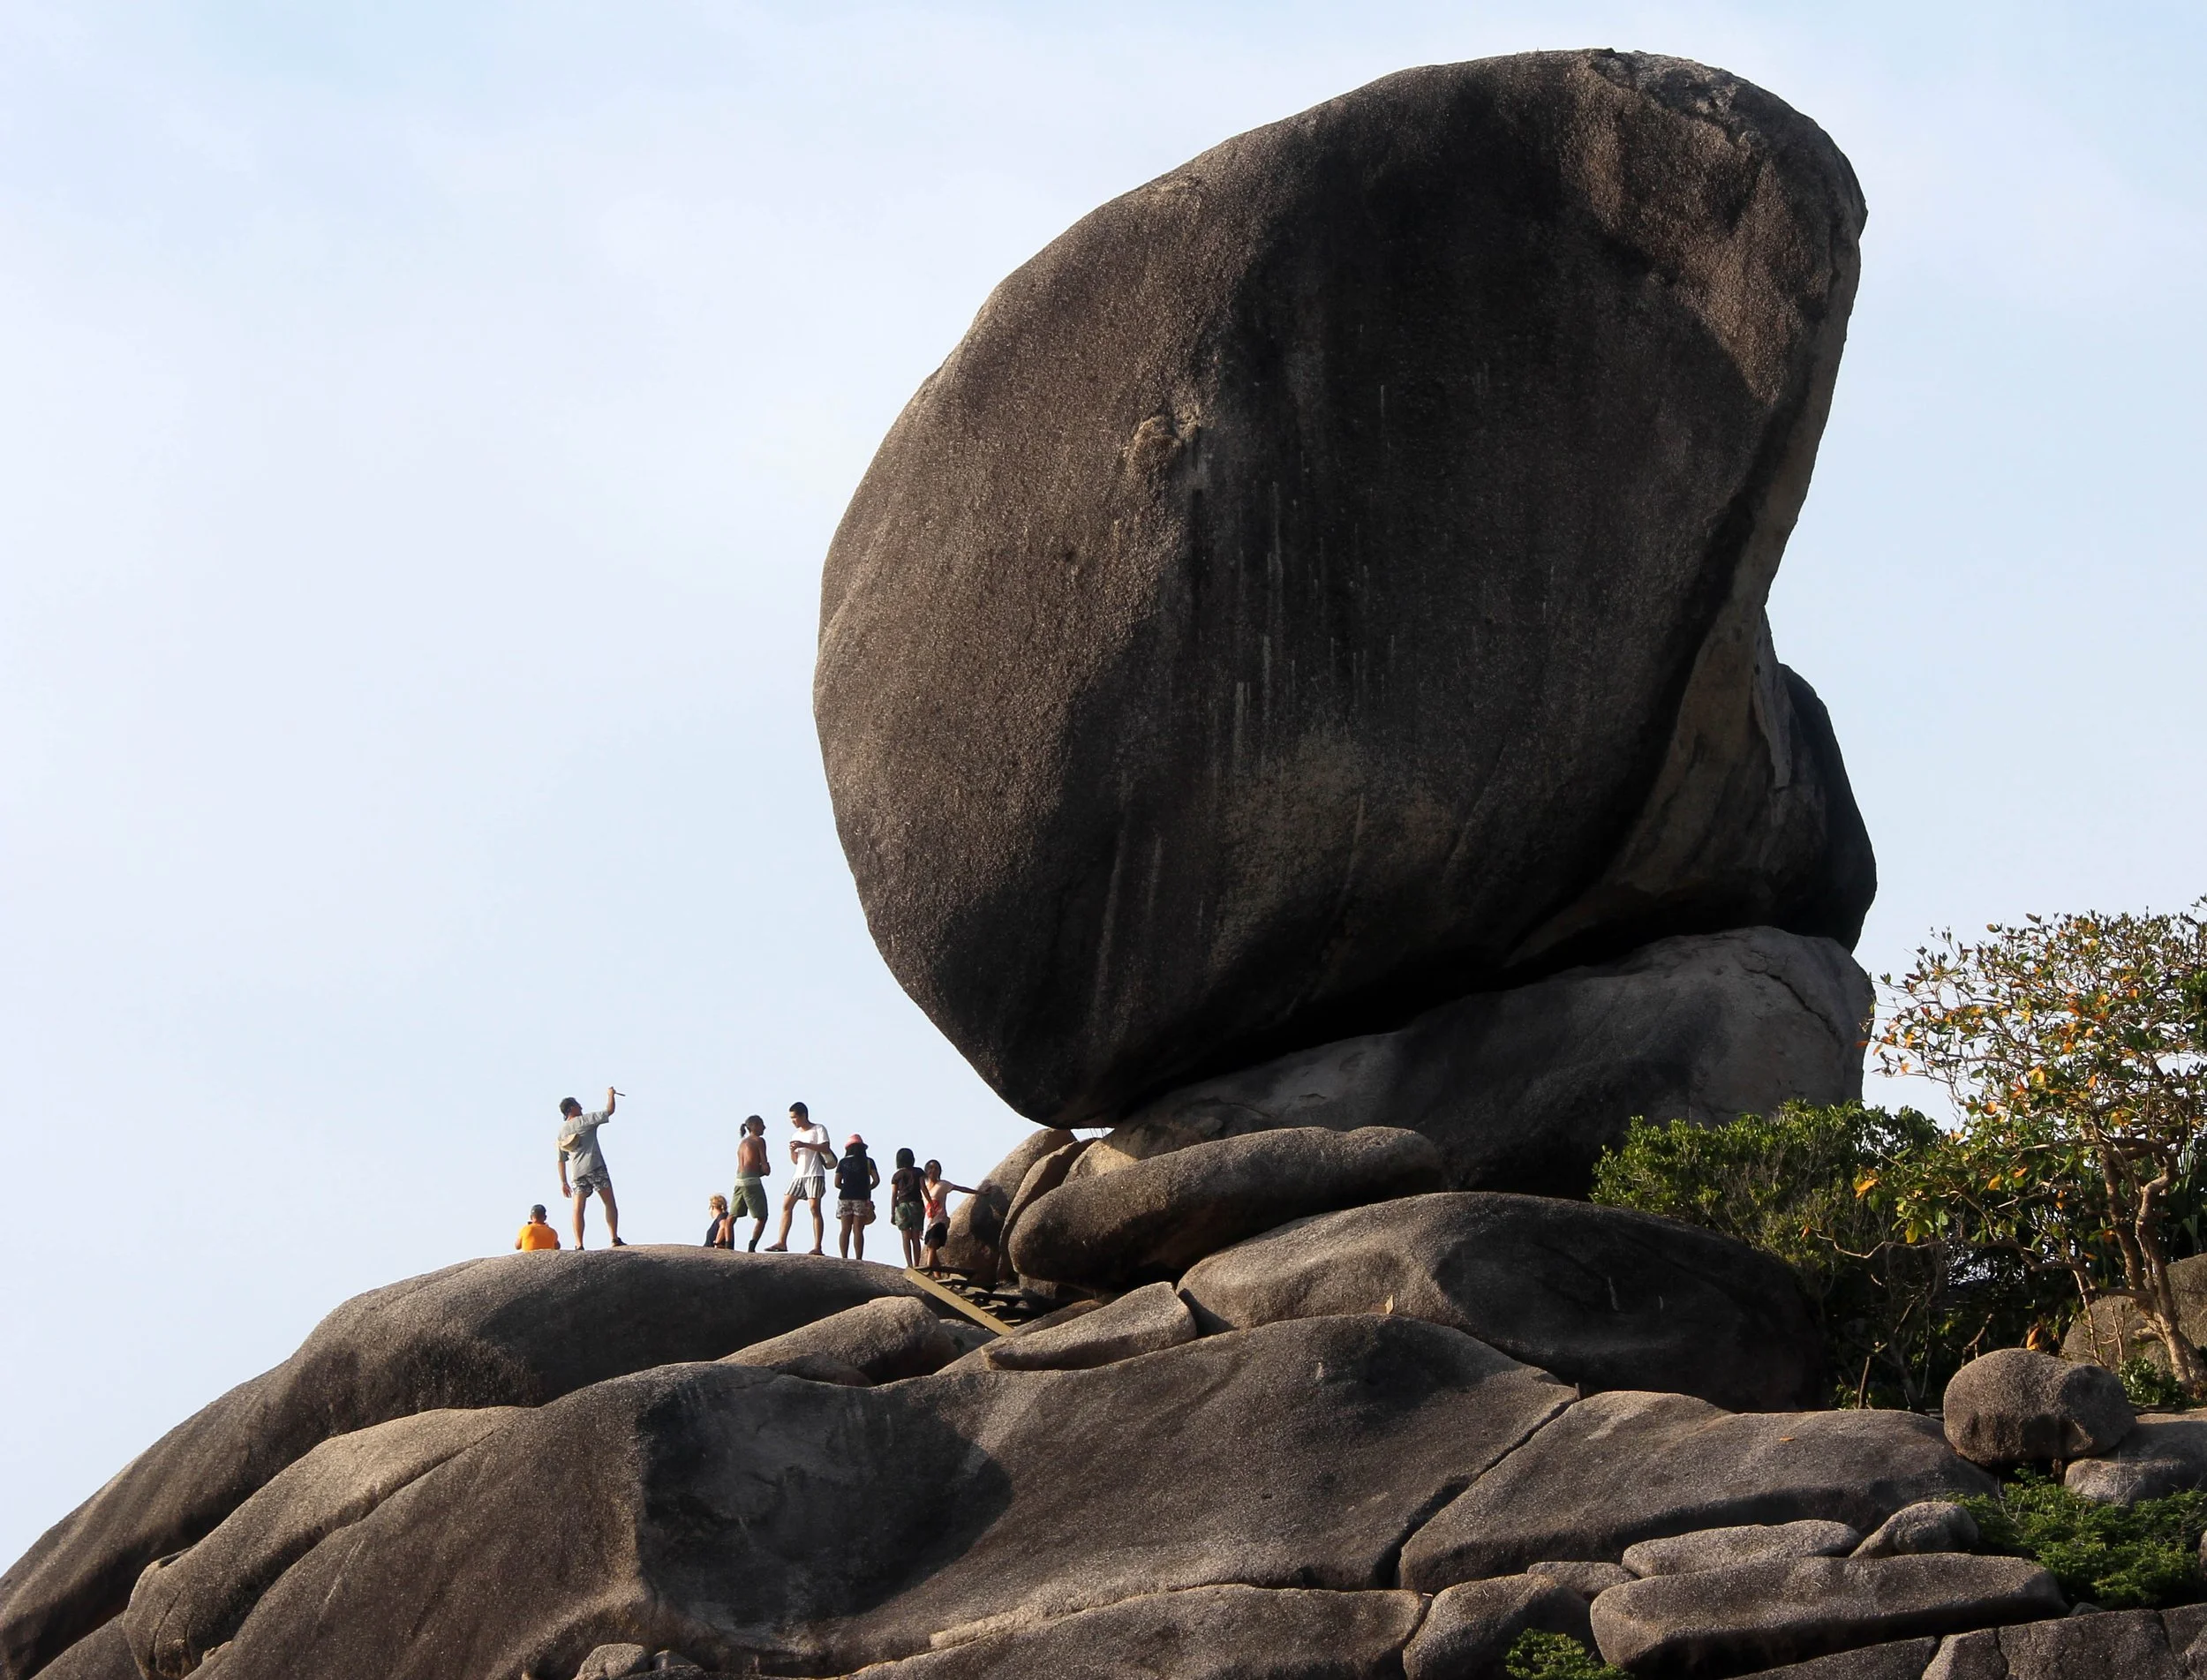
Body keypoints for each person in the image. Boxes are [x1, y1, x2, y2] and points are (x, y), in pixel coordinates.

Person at [556, 1088, 625, 1250]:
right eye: (579, 1106)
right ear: (572, 1108)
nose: (581, 1108)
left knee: (578, 1208)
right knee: (609, 1202)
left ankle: (579, 1244)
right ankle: (614, 1238)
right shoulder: (584, 1121)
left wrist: (563, 1182)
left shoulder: (561, 1131)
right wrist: (610, 1095)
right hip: (594, 1166)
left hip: (576, 1172)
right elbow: (609, 1111)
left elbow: (560, 1160)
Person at [765, 1102, 833, 1254]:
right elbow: (796, 1160)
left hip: (815, 1173)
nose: (793, 1121)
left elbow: (825, 1147)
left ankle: (817, 1246)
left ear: (803, 1116)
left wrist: (805, 1144)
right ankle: (782, 1242)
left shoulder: (818, 1129)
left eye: (795, 1117)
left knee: (814, 1208)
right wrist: (793, 1150)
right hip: (799, 1174)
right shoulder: (795, 1134)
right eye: (791, 1118)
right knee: (787, 1205)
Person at [920, 1159, 976, 1273]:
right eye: (931, 1168)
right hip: (930, 1223)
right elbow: (923, 1209)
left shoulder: (943, 1184)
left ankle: (928, 1271)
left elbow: (960, 1189)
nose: (933, 1170)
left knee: (932, 1246)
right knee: (931, 1251)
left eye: (936, 1168)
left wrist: (979, 1192)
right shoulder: (924, 1189)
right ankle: (938, 1276)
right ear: (926, 1171)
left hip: (940, 1221)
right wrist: (920, 1228)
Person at [834, 1134, 881, 1261]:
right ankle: (858, 1258)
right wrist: (867, 1188)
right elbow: (876, 1180)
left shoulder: (843, 1162)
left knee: (845, 1229)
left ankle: (844, 1257)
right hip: (861, 1197)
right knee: (858, 1230)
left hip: (845, 1197)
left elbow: (837, 1183)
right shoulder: (868, 1162)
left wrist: (847, 1186)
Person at [730, 1114, 772, 1252]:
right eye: (762, 1124)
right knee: (762, 1217)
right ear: (754, 1126)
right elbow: (765, 1167)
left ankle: (728, 1246)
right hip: (752, 1181)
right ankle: (751, 1247)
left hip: (739, 1180)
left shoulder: (742, 1143)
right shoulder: (759, 1141)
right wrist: (766, 1169)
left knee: (732, 1216)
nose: (764, 1127)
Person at [887, 1148, 928, 1269]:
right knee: (916, 1236)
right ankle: (917, 1264)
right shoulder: (918, 1172)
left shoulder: (897, 1175)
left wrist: (892, 1213)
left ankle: (909, 1264)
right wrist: (929, 1203)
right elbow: (923, 1188)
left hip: (902, 1206)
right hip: (916, 1205)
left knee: (905, 1237)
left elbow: (894, 1195)